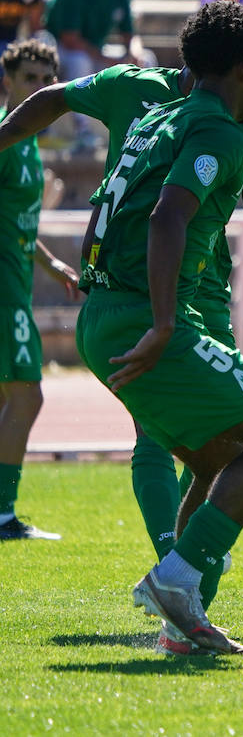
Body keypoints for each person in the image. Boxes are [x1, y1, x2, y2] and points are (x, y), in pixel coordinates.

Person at [0, 16, 243, 654]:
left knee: (217, 455)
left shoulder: (155, 120)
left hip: (110, 309)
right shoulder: (218, 128)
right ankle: (175, 579)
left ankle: (182, 614)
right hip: (154, 311)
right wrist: (167, 323)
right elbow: (169, 217)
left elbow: (126, 207)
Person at [0, 40, 79, 542]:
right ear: (7, 82)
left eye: (47, 80)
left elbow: (16, 223)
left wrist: (52, 265)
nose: (39, 89)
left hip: (17, 280)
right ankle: (4, 515)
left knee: (10, 396)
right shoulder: (7, 139)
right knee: (27, 395)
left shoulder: (25, 142)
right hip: (3, 291)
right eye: (29, 78)